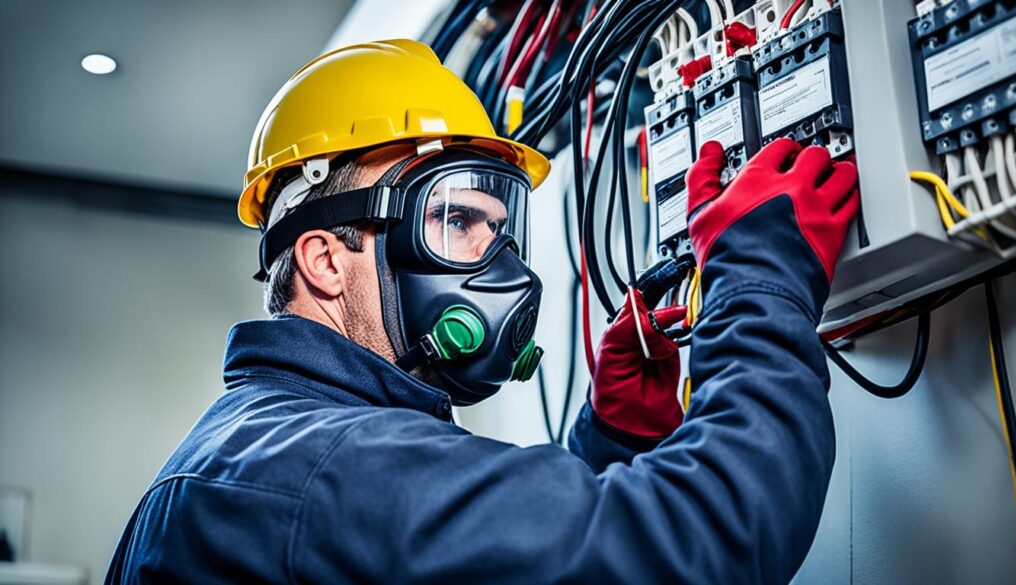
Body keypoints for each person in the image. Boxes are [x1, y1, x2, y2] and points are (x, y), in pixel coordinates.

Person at [106, 39, 859, 584]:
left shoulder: (263, 446)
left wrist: (613, 443)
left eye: (498, 229)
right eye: (455, 220)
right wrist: (760, 276)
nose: (499, 264)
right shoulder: (329, 464)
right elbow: (705, 544)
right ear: (325, 260)